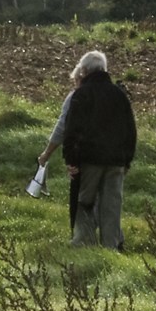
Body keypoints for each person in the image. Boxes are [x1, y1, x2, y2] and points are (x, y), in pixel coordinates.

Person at [35, 50, 137, 250]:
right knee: (111, 207)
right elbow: (130, 130)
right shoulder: (119, 95)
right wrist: (127, 160)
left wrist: (71, 161)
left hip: (90, 160)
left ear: (83, 71)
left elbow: (71, 129)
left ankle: (84, 243)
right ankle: (112, 247)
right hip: (116, 161)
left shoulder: (81, 95)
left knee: (86, 202)